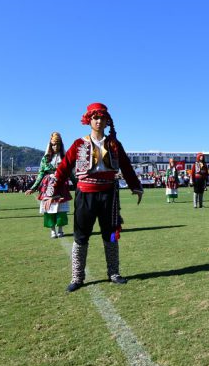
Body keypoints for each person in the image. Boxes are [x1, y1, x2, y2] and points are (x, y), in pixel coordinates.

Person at [50, 102, 143, 290]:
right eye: (95, 118)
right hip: (85, 194)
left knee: (111, 234)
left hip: (109, 194)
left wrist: (135, 186)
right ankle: (77, 277)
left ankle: (113, 272)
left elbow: (126, 166)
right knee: (81, 236)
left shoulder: (114, 144)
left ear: (107, 121)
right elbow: (64, 167)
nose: (99, 121)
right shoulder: (79, 144)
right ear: (89, 120)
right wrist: (54, 190)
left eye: (102, 118)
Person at [27, 132, 70, 238]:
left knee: (61, 209)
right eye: (54, 145)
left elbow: (70, 173)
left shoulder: (65, 157)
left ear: (61, 145)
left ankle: (60, 229)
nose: (56, 147)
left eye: (58, 144)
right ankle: (52, 230)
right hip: (48, 186)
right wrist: (33, 188)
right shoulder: (45, 159)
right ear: (50, 145)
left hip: (61, 184)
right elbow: (41, 174)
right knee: (49, 208)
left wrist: (78, 184)